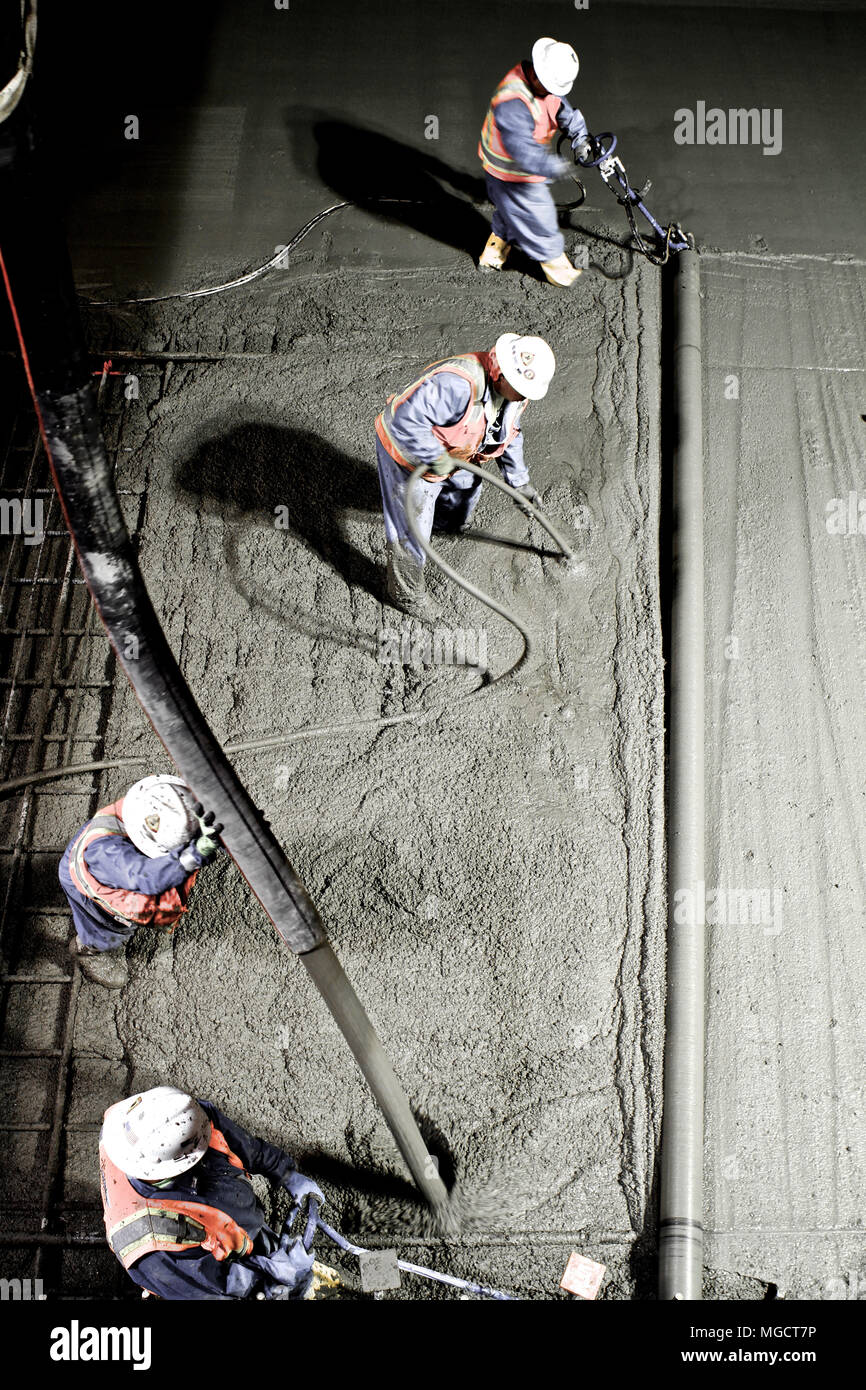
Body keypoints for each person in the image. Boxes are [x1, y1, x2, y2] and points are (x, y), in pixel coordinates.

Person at [375, 332, 555, 620]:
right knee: (412, 531)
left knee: (467, 488)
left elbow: (509, 435)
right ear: (501, 375)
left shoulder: (517, 395)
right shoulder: (457, 384)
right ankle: (404, 595)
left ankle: (444, 523)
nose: (524, 397)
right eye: (521, 389)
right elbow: (404, 420)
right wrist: (435, 458)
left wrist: (520, 483)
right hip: (408, 453)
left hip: (456, 452)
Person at [99, 1086, 325, 1300]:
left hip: (233, 1228)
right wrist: (277, 1282)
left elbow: (234, 1139)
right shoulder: (154, 1249)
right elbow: (217, 1290)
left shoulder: (174, 1118)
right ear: (179, 1165)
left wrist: (285, 1173)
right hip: (215, 1266)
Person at [59, 775, 222, 988]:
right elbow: (143, 876)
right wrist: (193, 855)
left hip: (113, 860)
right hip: (87, 885)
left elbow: (184, 820)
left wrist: (222, 835)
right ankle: (88, 950)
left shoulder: (152, 802)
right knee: (106, 928)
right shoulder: (108, 854)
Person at [478, 37, 591, 286]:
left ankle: (494, 251)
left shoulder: (542, 83)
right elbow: (523, 151)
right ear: (540, 77)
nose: (554, 93)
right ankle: (557, 268)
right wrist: (553, 166)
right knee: (539, 216)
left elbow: (562, 108)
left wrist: (579, 137)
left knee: (511, 210)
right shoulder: (513, 102)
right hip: (510, 172)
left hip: (513, 172)